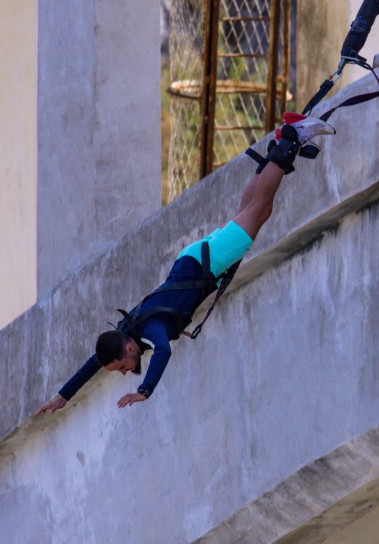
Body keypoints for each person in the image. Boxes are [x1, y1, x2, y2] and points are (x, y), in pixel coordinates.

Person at [35, 112, 334, 415]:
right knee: (249, 211)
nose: (125, 372)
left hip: (207, 264)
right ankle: (278, 149)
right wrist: (64, 396)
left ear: (128, 349)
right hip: (194, 261)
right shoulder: (129, 330)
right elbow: (93, 363)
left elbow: (164, 350)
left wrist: (145, 390)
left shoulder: (149, 330)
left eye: (123, 366)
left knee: (258, 210)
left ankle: (292, 138)